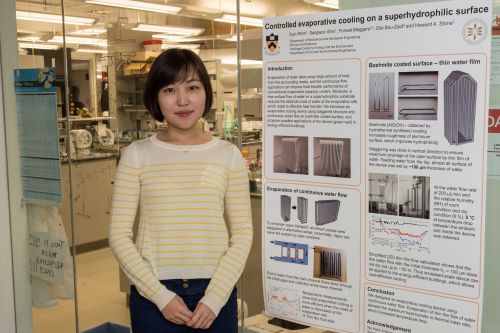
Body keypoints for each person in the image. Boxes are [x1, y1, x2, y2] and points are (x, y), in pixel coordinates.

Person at [109, 48, 253, 333]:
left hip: (215, 293)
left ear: (206, 93)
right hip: (154, 296)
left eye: (193, 87)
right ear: (156, 97)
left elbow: (243, 234)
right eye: (170, 89)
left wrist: (214, 298)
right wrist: (160, 296)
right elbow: (118, 236)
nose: (183, 100)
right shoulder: (137, 154)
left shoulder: (228, 155)